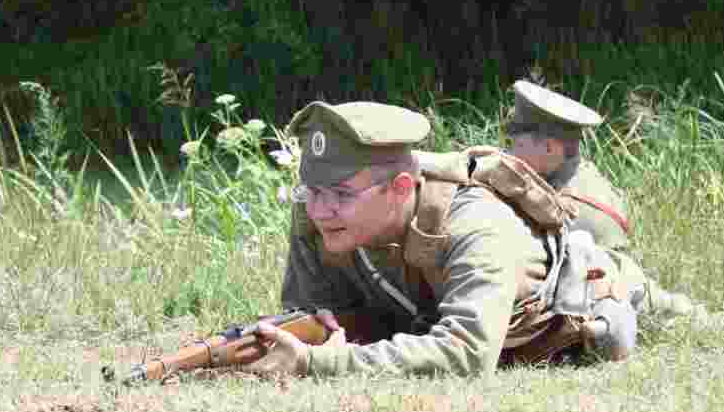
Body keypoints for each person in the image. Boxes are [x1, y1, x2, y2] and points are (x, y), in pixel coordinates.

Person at [246, 100, 643, 377]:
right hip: (430, 314)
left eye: (342, 195)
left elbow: (467, 354)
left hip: (587, 292)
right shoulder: (317, 212)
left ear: (401, 188)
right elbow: (310, 315)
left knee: (675, 312)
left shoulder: (474, 221)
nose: (319, 209)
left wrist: (316, 365)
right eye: (311, 190)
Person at [475, 80, 697, 317]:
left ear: (550, 149)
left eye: (516, 143)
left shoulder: (574, 209)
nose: (510, 152)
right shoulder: (568, 174)